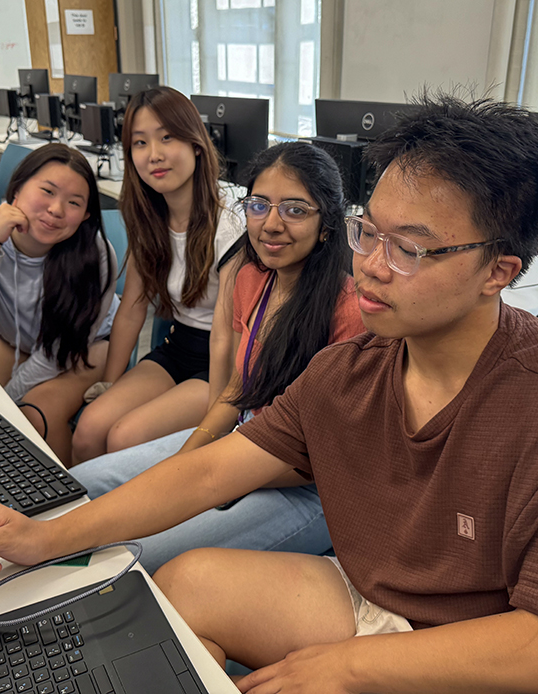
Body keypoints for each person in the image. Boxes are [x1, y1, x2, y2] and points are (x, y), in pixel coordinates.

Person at [0, 94, 538, 694]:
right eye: (367, 233)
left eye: (409, 249)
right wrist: (43, 538)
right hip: (383, 602)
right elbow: (209, 470)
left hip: (494, 659)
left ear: (498, 271)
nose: (373, 268)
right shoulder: (356, 368)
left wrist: (348, 666)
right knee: (183, 582)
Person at [68, 141, 366, 572]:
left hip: (307, 486)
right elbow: (235, 390)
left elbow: (323, 460)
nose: (271, 224)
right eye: (259, 205)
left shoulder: (349, 313)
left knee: (130, 555)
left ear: (327, 225)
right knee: (81, 485)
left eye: (296, 210)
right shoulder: (252, 279)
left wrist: (210, 478)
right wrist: (190, 460)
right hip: (241, 444)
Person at [70, 86, 243, 464]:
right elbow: (131, 309)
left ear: (196, 143)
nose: (155, 155)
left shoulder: (229, 216)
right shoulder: (149, 217)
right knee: (89, 428)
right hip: (178, 347)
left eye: (168, 137)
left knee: (123, 438)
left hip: (223, 361)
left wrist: (219, 416)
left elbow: (225, 332)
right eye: (140, 143)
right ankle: (76, 521)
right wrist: (112, 383)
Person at [0, 144, 118, 467]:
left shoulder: (94, 254)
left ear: (86, 215)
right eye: (47, 191)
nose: (57, 209)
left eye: (74, 203)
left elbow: (57, 352)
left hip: (87, 346)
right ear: (16, 189)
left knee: (33, 415)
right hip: (14, 340)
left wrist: (6, 400)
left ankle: (61, 504)